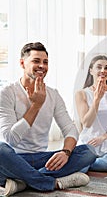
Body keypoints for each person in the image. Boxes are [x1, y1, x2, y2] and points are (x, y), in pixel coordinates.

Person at [0, 42, 97, 196]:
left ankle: (22, 181)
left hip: (43, 158)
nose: (42, 66)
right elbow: (11, 139)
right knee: (0, 149)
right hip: (13, 157)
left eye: (45, 62)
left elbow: (70, 129)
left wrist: (65, 152)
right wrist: (36, 105)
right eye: (36, 61)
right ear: (22, 63)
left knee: (89, 152)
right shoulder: (7, 93)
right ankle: (51, 182)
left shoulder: (53, 94)